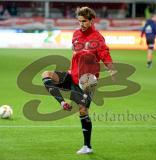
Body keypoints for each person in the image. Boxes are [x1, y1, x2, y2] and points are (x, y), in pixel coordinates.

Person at [41, 7, 116, 154]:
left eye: (84, 21)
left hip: (88, 80)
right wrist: (70, 69)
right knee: (46, 74)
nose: (81, 24)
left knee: (82, 110)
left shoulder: (98, 38)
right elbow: (75, 55)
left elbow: (105, 55)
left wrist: (112, 69)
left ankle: (87, 146)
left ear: (91, 20)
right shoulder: (75, 35)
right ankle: (62, 102)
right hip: (73, 75)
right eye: (79, 21)